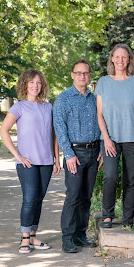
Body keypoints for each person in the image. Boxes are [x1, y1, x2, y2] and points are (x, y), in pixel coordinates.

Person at [0, 69, 61, 254]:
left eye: (38, 83)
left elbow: (54, 133)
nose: (35, 86)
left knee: (39, 200)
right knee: (29, 199)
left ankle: (33, 235)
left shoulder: (48, 106)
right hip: (27, 162)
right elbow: (3, 131)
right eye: (32, 82)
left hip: (47, 161)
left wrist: (57, 158)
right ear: (25, 85)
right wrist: (17, 155)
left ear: (42, 86)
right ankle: (25, 238)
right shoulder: (19, 107)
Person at [96, 43, 134, 229]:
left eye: (124, 57)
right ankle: (108, 215)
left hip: (133, 139)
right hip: (110, 140)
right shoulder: (103, 82)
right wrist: (107, 139)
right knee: (110, 176)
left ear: (129, 60)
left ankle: (128, 219)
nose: (120, 61)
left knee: (131, 180)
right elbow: (99, 114)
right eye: (117, 57)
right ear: (111, 58)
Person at [53, 59, 103, 253]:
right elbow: (60, 128)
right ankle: (67, 238)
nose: (83, 76)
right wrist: (69, 155)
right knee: (73, 196)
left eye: (86, 73)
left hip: (93, 152)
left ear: (90, 76)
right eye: (79, 73)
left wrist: (100, 150)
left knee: (86, 197)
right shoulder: (63, 99)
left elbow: (101, 124)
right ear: (72, 75)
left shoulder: (95, 98)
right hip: (75, 153)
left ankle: (81, 235)